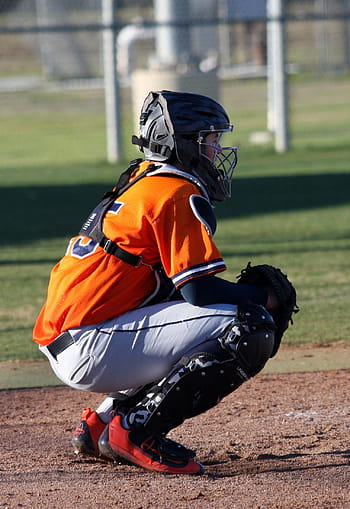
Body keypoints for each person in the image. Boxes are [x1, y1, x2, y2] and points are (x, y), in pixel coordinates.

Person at [33, 90, 278, 475]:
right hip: (92, 344)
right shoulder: (175, 191)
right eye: (209, 139)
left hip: (77, 334)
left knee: (209, 313)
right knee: (249, 324)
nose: (217, 149)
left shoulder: (141, 176)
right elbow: (199, 291)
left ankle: (103, 421)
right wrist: (264, 297)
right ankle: (135, 431)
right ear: (180, 143)